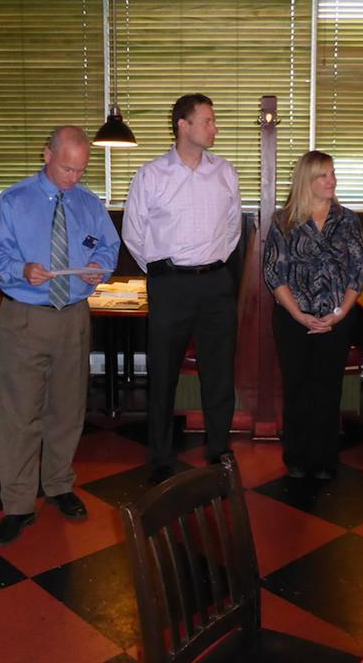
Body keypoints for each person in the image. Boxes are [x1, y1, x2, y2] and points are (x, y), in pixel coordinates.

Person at [0, 126, 119, 545]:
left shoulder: (88, 203)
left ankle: (58, 485)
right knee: (20, 413)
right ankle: (18, 504)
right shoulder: (13, 201)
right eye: (67, 168)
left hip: (73, 316)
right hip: (25, 317)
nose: (74, 177)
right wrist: (20, 269)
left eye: (81, 170)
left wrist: (99, 267)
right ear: (47, 155)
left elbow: (108, 247)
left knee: (68, 408)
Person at [122, 94, 241, 484]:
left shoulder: (225, 173)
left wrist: (212, 264)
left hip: (216, 283)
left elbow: (232, 229)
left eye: (213, 120)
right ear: (183, 126)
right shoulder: (151, 175)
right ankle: (160, 455)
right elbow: (134, 233)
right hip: (170, 284)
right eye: (207, 121)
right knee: (163, 373)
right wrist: (162, 273)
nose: (214, 128)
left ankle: (219, 450)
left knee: (219, 373)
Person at [263, 151, 363, 480]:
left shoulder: (347, 220)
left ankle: (325, 458)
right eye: (323, 175)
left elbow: (358, 272)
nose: (331, 180)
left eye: (332, 173)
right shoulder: (283, 221)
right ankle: (297, 457)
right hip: (294, 320)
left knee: (328, 388)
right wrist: (300, 315)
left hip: (337, 319)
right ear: (306, 180)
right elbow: (274, 274)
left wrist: (339, 314)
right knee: (297, 388)